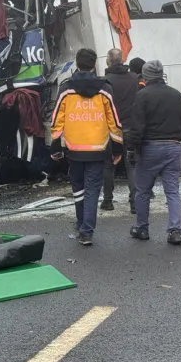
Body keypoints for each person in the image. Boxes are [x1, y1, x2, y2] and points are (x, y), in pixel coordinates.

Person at [51, 48, 123, 246]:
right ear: (94, 65)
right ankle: (86, 231)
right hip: (98, 149)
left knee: (78, 188)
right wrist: (117, 148)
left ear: (76, 64)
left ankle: (81, 222)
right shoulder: (105, 89)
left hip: (74, 149)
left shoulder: (66, 89)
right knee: (92, 189)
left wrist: (55, 145)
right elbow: (114, 122)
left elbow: (57, 119)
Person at [127, 60, 181, 245]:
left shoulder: (142, 96)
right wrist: (176, 138)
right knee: (172, 191)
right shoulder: (177, 95)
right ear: (161, 74)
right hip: (173, 147)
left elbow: (136, 126)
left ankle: (142, 228)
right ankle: (175, 231)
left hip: (149, 148)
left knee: (143, 191)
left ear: (145, 76)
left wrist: (132, 148)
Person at [101, 48, 140, 212]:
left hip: (112, 130)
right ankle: (135, 203)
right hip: (131, 127)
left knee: (109, 165)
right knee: (132, 165)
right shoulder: (134, 78)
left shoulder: (105, 81)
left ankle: (108, 201)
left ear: (108, 62)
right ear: (123, 60)